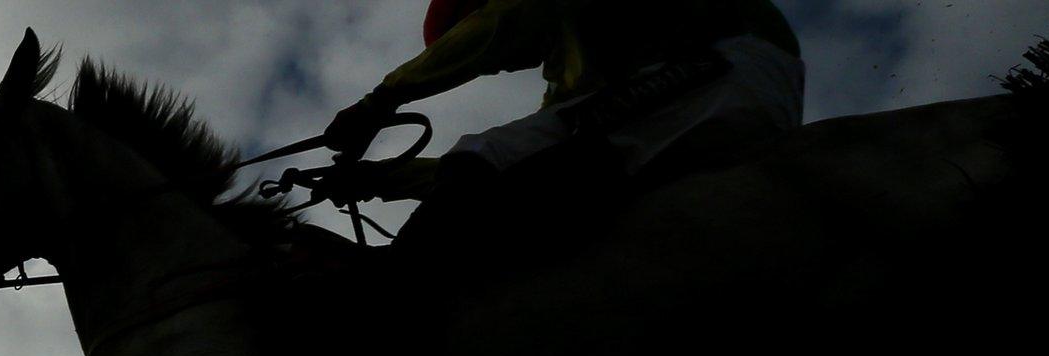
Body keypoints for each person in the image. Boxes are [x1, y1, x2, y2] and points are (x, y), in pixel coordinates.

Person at [321, 0, 804, 252]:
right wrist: (378, 180)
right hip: (713, 89)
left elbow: (504, 25)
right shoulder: (588, 79)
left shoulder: (545, 6)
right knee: (497, 165)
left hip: (717, 68)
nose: (509, 65)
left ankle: (392, 302)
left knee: (484, 157)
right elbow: (513, 165)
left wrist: (381, 101)